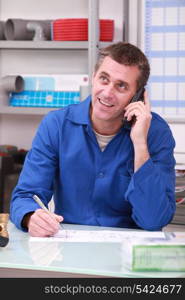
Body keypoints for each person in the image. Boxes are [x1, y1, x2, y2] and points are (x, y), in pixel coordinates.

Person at [10, 42, 176, 237]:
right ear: (94, 78)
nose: (107, 93)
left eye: (121, 86)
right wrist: (32, 217)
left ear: (138, 95)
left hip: (127, 255)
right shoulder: (57, 125)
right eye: (104, 79)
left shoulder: (156, 133)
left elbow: (154, 220)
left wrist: (140, 146)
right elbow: (25, 196)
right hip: (69, 251)